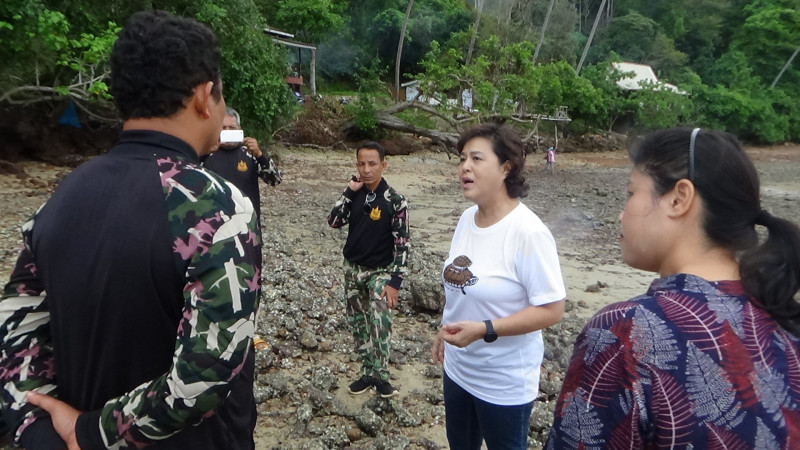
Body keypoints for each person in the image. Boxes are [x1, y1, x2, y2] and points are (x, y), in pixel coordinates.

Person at [0, 10, 261, 449]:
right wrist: (90, 431)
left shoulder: (57, 201)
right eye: (220, 98)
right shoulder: (216, 206)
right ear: (204, 96)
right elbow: (202, 379)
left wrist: (42, 432)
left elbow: (14, 333)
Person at [546, 128, 800, 448]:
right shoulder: (784, 320)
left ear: (679, 199)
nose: (621, 214)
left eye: (630, 193)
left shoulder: (623, 334)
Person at [431, 123, 566, 449]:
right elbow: (461, 288)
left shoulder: (528, 233)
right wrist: (444, 327)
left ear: (506, 168)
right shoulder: (466, 219)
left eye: (477, 159)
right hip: (458, 370)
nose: (464, 166)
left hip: (503, 383)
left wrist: (485, 328)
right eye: (462, 158)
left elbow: (552, 310)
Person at [327, 142, 410, 398]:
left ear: (383, 165)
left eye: (372, 164)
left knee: (380, 321)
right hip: (353, 269)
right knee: (358, 323)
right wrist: (349, 192)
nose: (367, 169)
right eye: (361, 164)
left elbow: (402, 242)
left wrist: (395, 281)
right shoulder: (356, 194)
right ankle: (366, 372)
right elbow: (333, 221)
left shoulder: (395, 200)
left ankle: (381, 376)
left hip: (381, 270)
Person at [201, 106, 282, 227]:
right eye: (223, 128)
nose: (228, 131)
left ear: (239, 129)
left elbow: (275, 180)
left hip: (247, 223)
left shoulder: (250, 153)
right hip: (215, 222)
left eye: (232, 127)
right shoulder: (207, 154)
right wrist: (205, 153)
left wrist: (260, 155)